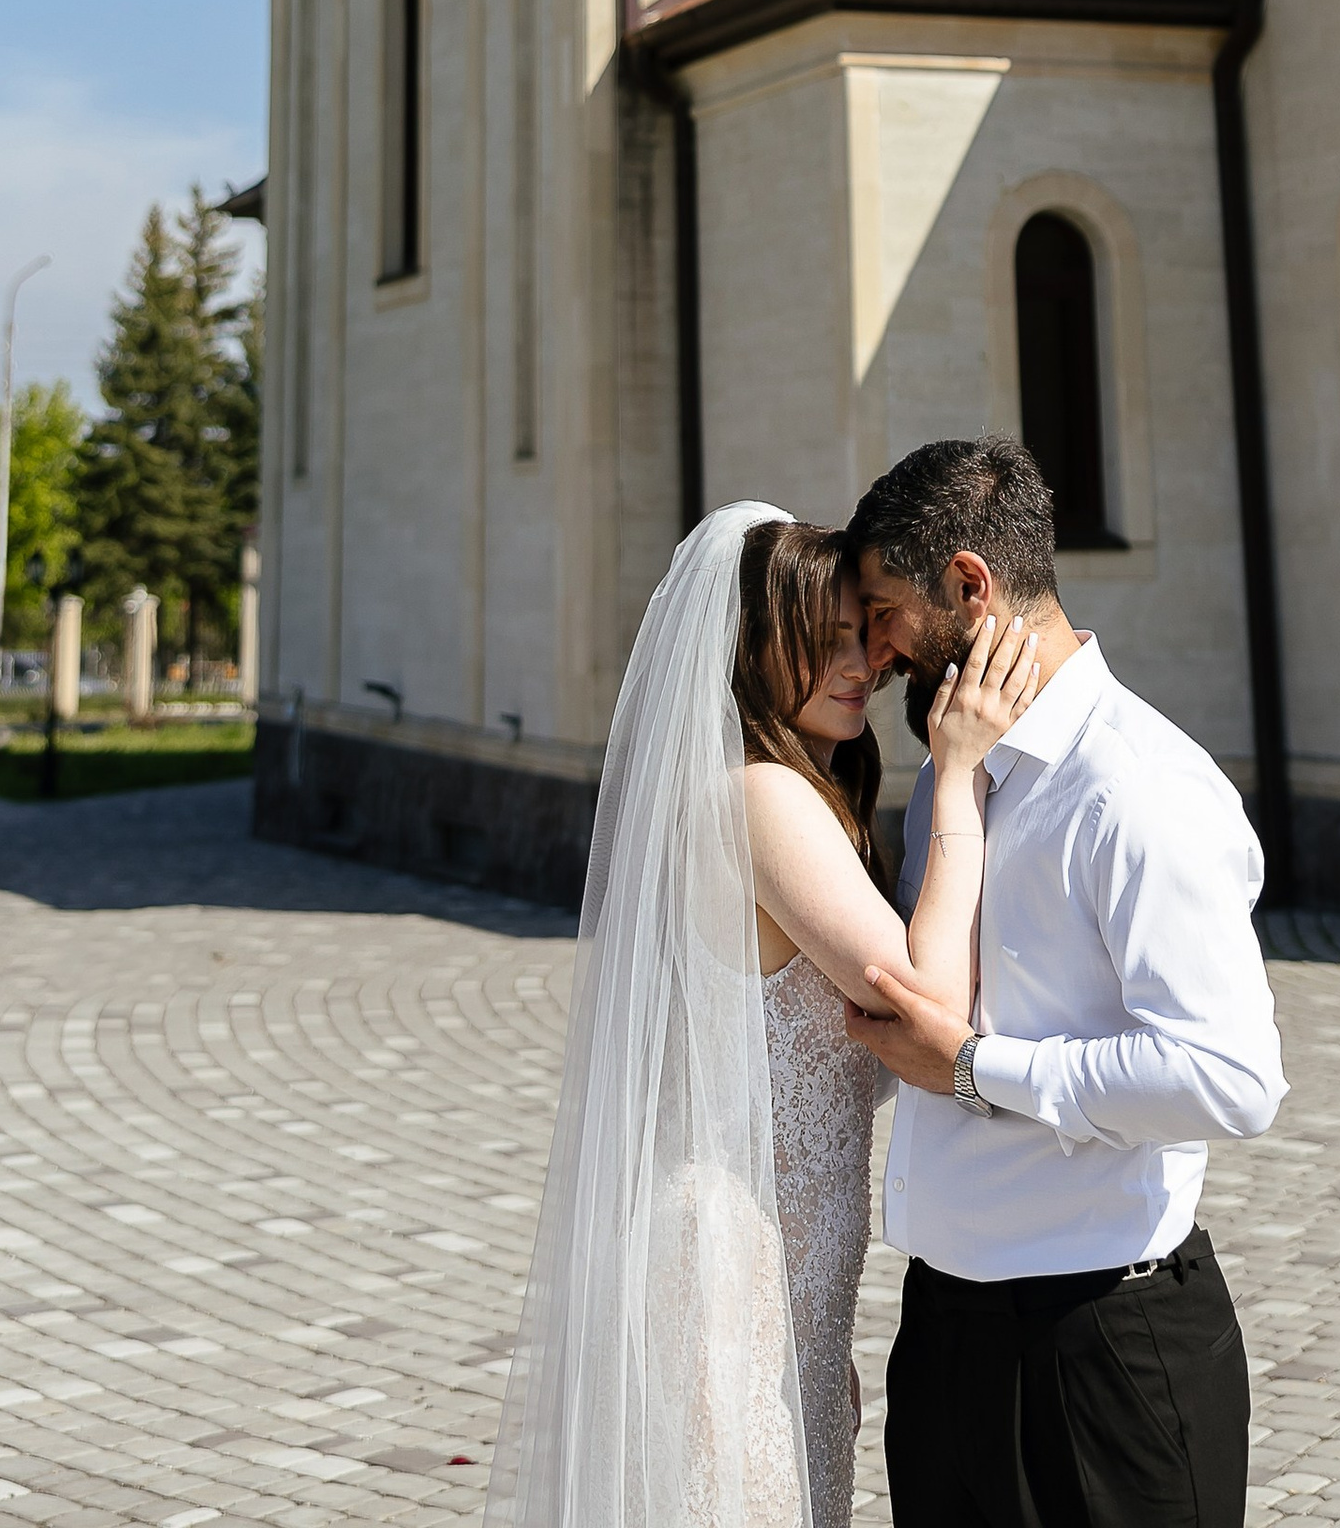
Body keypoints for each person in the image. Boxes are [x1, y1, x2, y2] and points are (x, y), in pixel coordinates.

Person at [484, 501, 1041, 1528]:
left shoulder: (788, 788)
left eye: (862, 635)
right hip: (725, 1266)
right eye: (821, 641)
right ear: (747, 649)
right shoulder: (758, 797)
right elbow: (925, 1002)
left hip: (784, 1280)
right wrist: (956, 774)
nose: (860, 665)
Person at [842, 438, 1288, 1528]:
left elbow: (1229, 1077)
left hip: (1102, 1359)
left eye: (883, 607)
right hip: (948, 1344)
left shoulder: (1135, 789)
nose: (875, 646)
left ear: (967, 585)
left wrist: (972, 1069)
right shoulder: (956, 771)